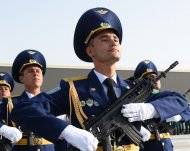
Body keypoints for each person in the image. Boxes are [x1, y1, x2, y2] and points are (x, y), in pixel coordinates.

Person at [10, 7, 188, 151]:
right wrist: (66, 131)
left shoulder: (133, 89)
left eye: (116, 38)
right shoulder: (73, 89)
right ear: (90, 51)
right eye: (105, 39)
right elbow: (23, 110)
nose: (113, 42)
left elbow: (179, 100)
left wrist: (151, 109)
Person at [123, 60, 190, 151]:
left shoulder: (164, 97)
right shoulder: (131, 98)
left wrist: (180, 116)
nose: (153, 80)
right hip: (144, 144)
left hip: (165, 144)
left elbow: (184, 105)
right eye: (148, 78)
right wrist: (135, 128)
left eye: (155, 77)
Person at [0, 72, 19, 151]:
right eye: (0, 89)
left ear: (10, 92)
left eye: (6, 89)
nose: (3, 91)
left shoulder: (14, 108)